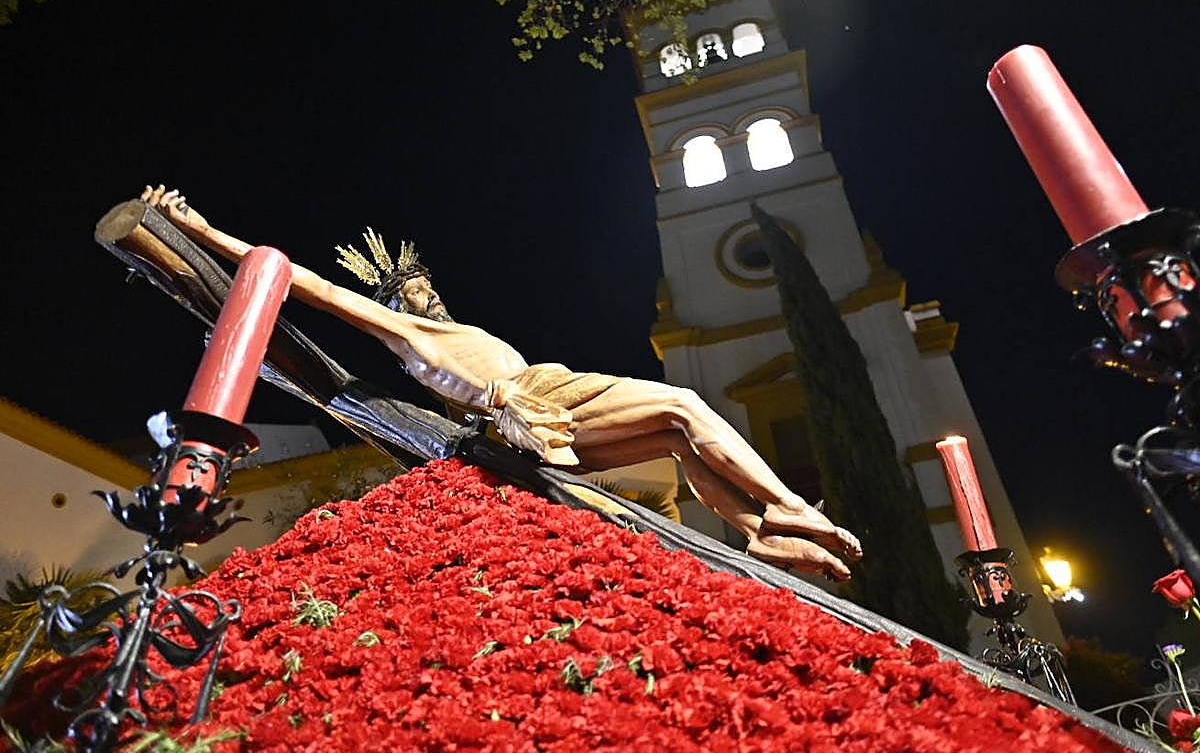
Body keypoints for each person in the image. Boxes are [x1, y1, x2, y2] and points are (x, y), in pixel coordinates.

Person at [140, 186, 862, 579]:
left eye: (426, 287)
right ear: (394, 309)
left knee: (675, 434)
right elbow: (309, 284)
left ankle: (759, 533)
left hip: (553, 390)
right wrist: (203, 231)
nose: (426, 298)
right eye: (412, 294)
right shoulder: (409, 335)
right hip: (533, 410)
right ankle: (794, 507)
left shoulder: (453, 326)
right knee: (684, 402)